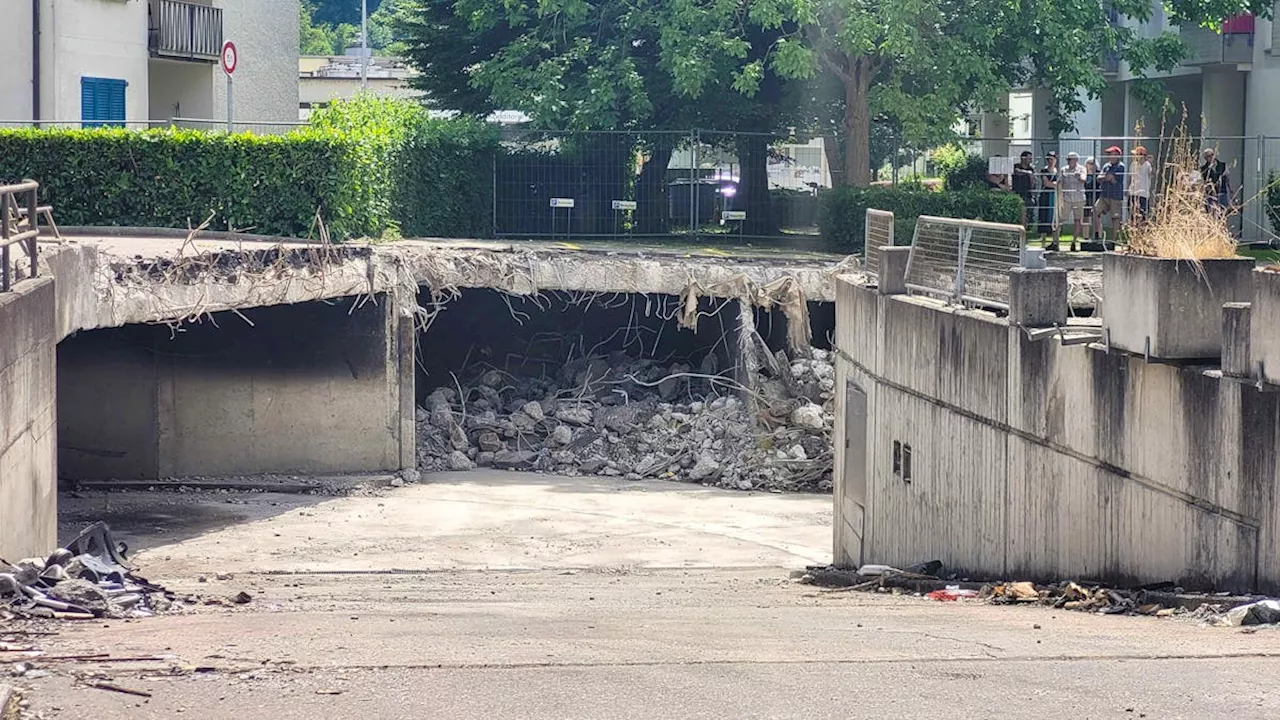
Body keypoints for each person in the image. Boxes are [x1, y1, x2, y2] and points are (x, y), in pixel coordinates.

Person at [1094, 145, 1126, 247]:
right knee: (1095, 211)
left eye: (1112, 154)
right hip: (1104, 195)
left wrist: (1106, 177)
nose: (1110, 156)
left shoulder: (1120, 166)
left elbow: (1111, 178)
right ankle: (1098, 235)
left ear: (1117, 156)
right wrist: (1106, 177)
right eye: (1109, 154)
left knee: (1115, 218)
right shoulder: (1106, 166)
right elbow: (1099, 178)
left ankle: (1114, 241)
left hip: (1115, 196)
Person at [1056, 151, 1088, 251]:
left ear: (1076, 160)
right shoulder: (1063, 169)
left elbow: (1084, 179)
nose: (1069, 161)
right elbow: (1059, 182)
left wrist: (1078, 177)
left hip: (1079, 198)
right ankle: (1056, 242)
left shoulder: (1082, 169)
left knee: (1078, 220)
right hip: (1067, 198)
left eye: (1070, 159)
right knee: (1060, 219)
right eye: (1068, 159)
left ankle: (1073, 242)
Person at [1127, 146, 1152, 225]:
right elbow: (1130, 178)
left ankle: (1142, 233)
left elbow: (1152, 174)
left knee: (1143, 216)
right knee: (1132, 215)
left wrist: (1151, 162)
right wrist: (1128, 189)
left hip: (1143, 194)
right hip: (1133, 193)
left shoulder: (1148, 165)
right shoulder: (1133, 164)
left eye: (1137, 154)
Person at [1011, 151, 1037, 227]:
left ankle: (1027, 227)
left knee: (1029, 211)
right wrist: (1027, 173)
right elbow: (1017, 172)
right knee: (1020, 212)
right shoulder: (1016, 166)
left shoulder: (1031, 169)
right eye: (1029, 158)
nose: (1031, 160)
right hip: (1017, 193)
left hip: (1028, 193)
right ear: (1023, 158)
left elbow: (1033, 182)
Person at [1038, 151, 1058, 246]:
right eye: (1048, 159)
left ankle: (1055, 241)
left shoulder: (1057, 171)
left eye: (1052, 159)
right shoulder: (1044, 170)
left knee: (1055, 217)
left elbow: (1061, 184)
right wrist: (1055, 185)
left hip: (1055, 196)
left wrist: (1055, 185)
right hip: (1045, 195)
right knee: (1044, 216)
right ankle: (1043, 241)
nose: (1050, 161)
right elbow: (1046, 183)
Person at [1084, 157, 1100, 241]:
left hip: (1095, 196)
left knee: (1096, 216)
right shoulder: (1084, 173)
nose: (1090, 165)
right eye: (1089, 163)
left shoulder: (1098, 174)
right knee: (1086, 216)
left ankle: (1097, 235)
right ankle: (1086, 236)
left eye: (1092, 163)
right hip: (1086, 196)